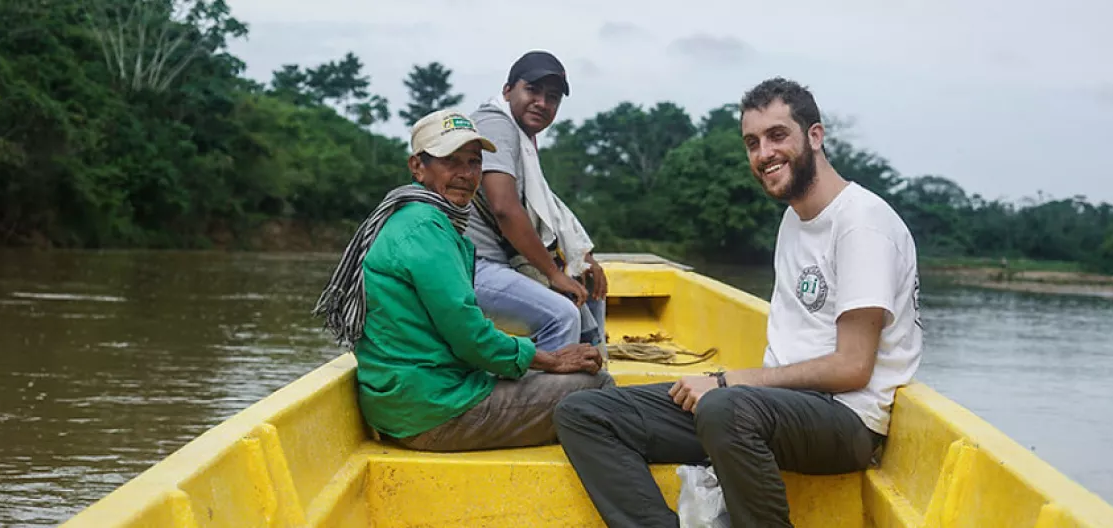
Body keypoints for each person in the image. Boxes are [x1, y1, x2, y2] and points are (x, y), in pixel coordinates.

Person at [553, 78, 924, 527]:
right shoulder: (794, 220)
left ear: (815, 135)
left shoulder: (862, 223)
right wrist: (733, 389)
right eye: (752, 142)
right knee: (584, 412)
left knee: (722, 406)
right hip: (763, 409)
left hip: (844, 420)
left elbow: (852, 367)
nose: (763, 153)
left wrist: (728, 382)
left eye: (777, 135)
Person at [311, 109, 614, 453]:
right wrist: (553, 360)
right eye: (450, 161)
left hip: (415, 402)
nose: (465, 174)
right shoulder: (427, 229)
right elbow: (471, 339)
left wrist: (536, 361)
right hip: (435, 414)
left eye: (473, 162)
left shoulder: (414, 216)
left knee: (558, 378)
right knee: (597, 388)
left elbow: (464, 334)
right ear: (417, 167)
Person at [463, 50, 608, 355]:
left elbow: (547, 210)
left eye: (552, 97)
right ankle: (549, 397)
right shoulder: (496, 123)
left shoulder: (522, 138)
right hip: (472, 268)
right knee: (562, 314)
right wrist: (554, 275)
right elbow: (504, 207)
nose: (542, 103)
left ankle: (590, 372)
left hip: (495, 264)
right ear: (507, 90)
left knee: (584, 282)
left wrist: (581, 256)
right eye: (532, 90)